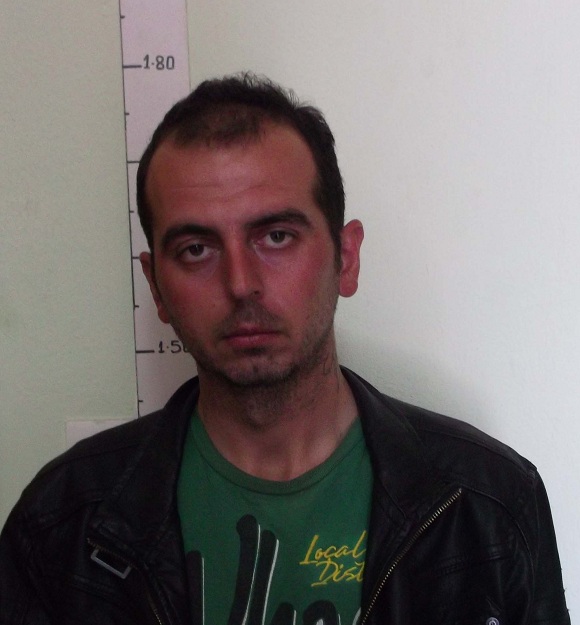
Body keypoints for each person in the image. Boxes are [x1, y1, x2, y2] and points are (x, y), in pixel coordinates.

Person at [0, 74, 570, 625]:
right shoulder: (60, 523)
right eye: (196, 249)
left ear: (346, 259)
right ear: (155, 287)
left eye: (276, 237)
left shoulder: (488, 503)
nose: (241, 283)